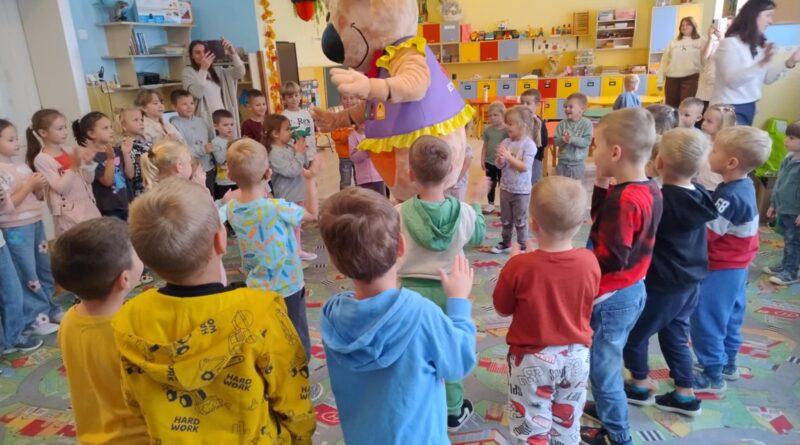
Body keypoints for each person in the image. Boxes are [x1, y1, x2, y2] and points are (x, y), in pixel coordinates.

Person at [115, 177, 316, 443]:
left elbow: (133, 398)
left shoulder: (129, 317)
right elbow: (294, 399)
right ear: (220, 240)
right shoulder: (261, 312)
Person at [319, 187, 477, 444]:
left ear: (334, 261)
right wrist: (458, 302)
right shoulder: (421, 313)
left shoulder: (332, 316)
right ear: (401, 246)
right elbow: (459, 361)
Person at [493, 176, 600, 445]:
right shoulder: (590, 261)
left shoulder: (520, 266)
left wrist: (514, 266)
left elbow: (502, 308)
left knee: (532, 429)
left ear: (532, 224)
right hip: (577, 356)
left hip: (533, 359)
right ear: (581, 223)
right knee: (567, 425)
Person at [622, 128, 717, 418]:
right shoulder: (700, 194)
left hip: (663, 284)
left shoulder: (660, 200)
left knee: (635, 334)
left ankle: (639, 385)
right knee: (676, 334)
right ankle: (685, 393)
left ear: (659, 162)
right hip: (691, 283)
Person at [582, 108, 662, 445]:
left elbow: (612, 257)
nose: (593, 151)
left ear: (615, 152)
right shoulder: (648, 189)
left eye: (596, 144)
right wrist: (602, 186)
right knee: (607, 359)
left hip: (612, 297)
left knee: (603, 368)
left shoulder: (624, 199)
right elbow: (603, 221)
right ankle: (606, 407)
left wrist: (577, 267)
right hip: (632, 289)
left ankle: (618, 435)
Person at [395, 135, 485, 430]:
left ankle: (418, 402)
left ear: (411, 174)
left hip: (409, 295)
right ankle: (453, 410)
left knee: (414, 352)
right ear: (449, 173)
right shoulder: (465, 212)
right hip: (452, 293)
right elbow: (478, 236)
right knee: (451, 349)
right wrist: (476, 202)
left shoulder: (398, 214)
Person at [51, 217, 148, 445]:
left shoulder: (69, 320)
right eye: (136, 252)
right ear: (124, 279)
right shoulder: (131, 331)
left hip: (91, 435)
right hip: (136, 439)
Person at [691, 126, 771, 392]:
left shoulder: (729, 196)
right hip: (738, 266)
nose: (709, 154)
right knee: (731, 316)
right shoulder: (743, 186)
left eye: (714, 150)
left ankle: (712, 373)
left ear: (731, 162)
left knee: (707, 317)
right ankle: (727, 363)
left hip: (721, 268)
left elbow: (707, 234)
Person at [225, 138, 315, 358]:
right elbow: (313, 215)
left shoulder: (231, 209)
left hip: (257, 286)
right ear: (268, 173)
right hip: (289, 285)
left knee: (268, 337)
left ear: (229, 175)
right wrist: (310, 180)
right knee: (297, 339)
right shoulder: (277, 207)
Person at [0, 119, 53, 344]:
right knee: (27, 273)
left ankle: (48, 308)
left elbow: (37, 197)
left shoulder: (22, 167)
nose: (17, 143)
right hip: (15, 228)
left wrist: (39, 187)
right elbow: (6, 206)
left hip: (35, 222)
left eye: (16, 138)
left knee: (43, 268)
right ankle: (35, 318)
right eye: (10, 140)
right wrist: (29, 186)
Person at [712, 0, 800, 125]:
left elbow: (767, 78)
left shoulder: (758, 46)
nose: (771, 21)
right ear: (753, 15)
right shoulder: (730, 44)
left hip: (749, 106)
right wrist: (762, 63)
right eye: (768, 15)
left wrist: (790, 62)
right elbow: (733, 82)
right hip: (728, 108)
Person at [27, 109, 100, 236]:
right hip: (68, 214)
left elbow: (89, 180)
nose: (65, 132)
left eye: (65, 127)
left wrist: (88, 164)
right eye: (60, 128)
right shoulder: (41, 159)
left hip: (88, 207)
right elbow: (62, 188)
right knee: (77, 245)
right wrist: (73, 167)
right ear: (43, 132)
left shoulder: (70, 151)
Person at [264, 113, 317, 262]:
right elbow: (291, 171)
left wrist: (302, 151)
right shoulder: (274, 153)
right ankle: (291, 253)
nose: (291, 132)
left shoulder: (288, 147)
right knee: (289, 226)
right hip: (287, 196)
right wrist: (298, 153)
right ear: (275, 134)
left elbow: (301, 165)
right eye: (287, 129)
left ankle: (297, 250)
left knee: (297, 224)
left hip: (297, 192)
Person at [490, 107, 537, 254]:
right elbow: (499, 165)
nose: (506, 126)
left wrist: (509, 157)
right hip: (506, 188)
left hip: (522, 191)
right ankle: (506, 242)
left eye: (510, 124)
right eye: (506, 123)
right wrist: (500, 159)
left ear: (522, 125)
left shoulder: (529, 145)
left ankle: (523, 245)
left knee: (520, 220)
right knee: (506, 219)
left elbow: (524, 167)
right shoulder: (506, 142)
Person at [74, 112, 133, 221]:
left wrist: (125, 154)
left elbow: (130, 174)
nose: (111, 131)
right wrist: (110, 159)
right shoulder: (92, 157)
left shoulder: (117, 151)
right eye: (105, 128)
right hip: (109, 209)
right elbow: (107, 181)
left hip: (127, 204)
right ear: (91, 133)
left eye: (110, 127)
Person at [182, 38, 245, 134]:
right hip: (206, 119)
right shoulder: (188, 72)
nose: (202, 55)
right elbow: (197, 93)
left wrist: (233, 52)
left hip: (223, 119)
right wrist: (203, 69)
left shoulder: (218, 70)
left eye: (204, 52)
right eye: (197, 53)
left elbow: (240, 72)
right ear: (192, 56)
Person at [765, 121, 800, 285]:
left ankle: (792, 272)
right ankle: (786, 265)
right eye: (787, 136)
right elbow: (779, 183)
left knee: (794, 242)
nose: (786, 140)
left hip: (795, 212)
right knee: (788, 239)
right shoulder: (788, 159)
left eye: (792, 138)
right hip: (784, 208)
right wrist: (773, 204)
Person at [281, 81, 320, 220]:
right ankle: (299, 214)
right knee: (298, 187)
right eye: (290, 96)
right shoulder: (283, 116)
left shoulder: (306, 114)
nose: (294, 99)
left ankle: (311, 210)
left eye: (297, 95)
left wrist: (313, 154)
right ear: (284, 99)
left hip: (309, 155)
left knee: (311, 184)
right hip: (294, 157)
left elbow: (311, 135)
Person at [170, 89, 215, 194]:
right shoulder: (174, 125)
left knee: (211, 195)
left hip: (208, 168)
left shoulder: (202, 121)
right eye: (184, 104)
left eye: (191, 103)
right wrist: (202, 149)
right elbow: (181, 150)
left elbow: (211, 140)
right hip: (191, 170)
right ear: (174, 107)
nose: (189, 107)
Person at [659, 16, 705, 108]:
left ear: (694, 26)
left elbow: (705, 61)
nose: (684, 27)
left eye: (688, 24)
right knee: (671, 107)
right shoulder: (673, 42)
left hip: (691, 79)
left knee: (687, 107)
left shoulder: (701, 41)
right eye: (682, 25)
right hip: (671, 79)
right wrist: (659, 81)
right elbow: (664, 61)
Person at [697, 104, 738, 191]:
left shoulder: (727, 147)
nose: (703, 124)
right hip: (701, 184)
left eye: (709, 121)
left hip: (715, 188)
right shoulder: (704, 139)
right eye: (704, 119)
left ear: (722, 125)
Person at [554, 93, 593, 179]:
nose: (567, 109)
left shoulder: (586, 124)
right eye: (565, 107)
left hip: (578, 165)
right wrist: (562, 139)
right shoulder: (562, 124)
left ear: (582, 109)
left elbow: (587, 141)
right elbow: (556, 141)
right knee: (561, 185)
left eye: (571, 107)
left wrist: (572, 139)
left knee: (575, 185)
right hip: (562, 163)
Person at [117, 108, 152, 198]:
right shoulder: (125, 146)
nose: (141, 123)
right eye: (136, 120)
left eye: (141, 120)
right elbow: (130, 175)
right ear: (124, 126)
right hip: (141, 193)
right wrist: (126, 154)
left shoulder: (146, 142)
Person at [480, 101, 508, 214]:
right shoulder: (488, 130)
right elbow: (485, 146)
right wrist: (482, 159)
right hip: (489, 162)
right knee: (490, 183)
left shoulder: (507, 130)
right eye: (490, 115)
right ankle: (490, 204)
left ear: (503, 115)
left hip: (503, 163)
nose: (492, 118)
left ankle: (503, 205)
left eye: (495, 115)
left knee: (504, 184)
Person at [348, 123, 387, 196]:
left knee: (382, 200)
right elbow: (353, 158)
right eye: (360, 121)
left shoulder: (375, 134)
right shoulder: (352, 136)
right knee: (367, 200)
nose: (364, 123)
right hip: (364, 179)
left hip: (378, 177)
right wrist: (366, 151)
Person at [331, 94, 359, 190]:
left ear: (356, 99)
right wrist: (349, 134)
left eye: (351, 98)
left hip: (359, 154)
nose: (348, 101)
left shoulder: (359, 115)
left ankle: (360, 197)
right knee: (345, 182)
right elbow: (335, 136)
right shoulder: (337, 117)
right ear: (340, 100)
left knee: (360, 180)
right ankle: (344, 198)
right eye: (345, 98)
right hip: (345, 156)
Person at [520, 89, 548, 186]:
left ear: (537, 105)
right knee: (522, 181)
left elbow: (544, 142)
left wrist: (530, 146)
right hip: (520, 157)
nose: (524, 106)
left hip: (535, 158)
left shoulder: (538, 122)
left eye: (528, 103)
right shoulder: (519, 121)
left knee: (534, 182)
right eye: (522, 103)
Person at [695, 23, 726, 113]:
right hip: (706, 81)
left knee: (715, 113)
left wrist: (721, 39)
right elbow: (704, 58)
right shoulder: (714, 42)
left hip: (719, 85)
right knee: (702, 111)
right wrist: (710, 38)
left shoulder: (732, 44)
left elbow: (726, 58)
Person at [210, 109, 237, 200]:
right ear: (216, 126)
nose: (229, 128)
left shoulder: (234, 139)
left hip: (236, 178)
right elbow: (220, 160)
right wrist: (231, 146)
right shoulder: (215, 142)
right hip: (224, 181)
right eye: (225, 125)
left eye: (231, 124)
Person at [447, 120, 475, 201]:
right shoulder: (447, 146)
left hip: (459, 184)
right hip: (446, 183)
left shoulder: (467, 148)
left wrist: (454, 181)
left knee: (459, 204)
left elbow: (464, 168)